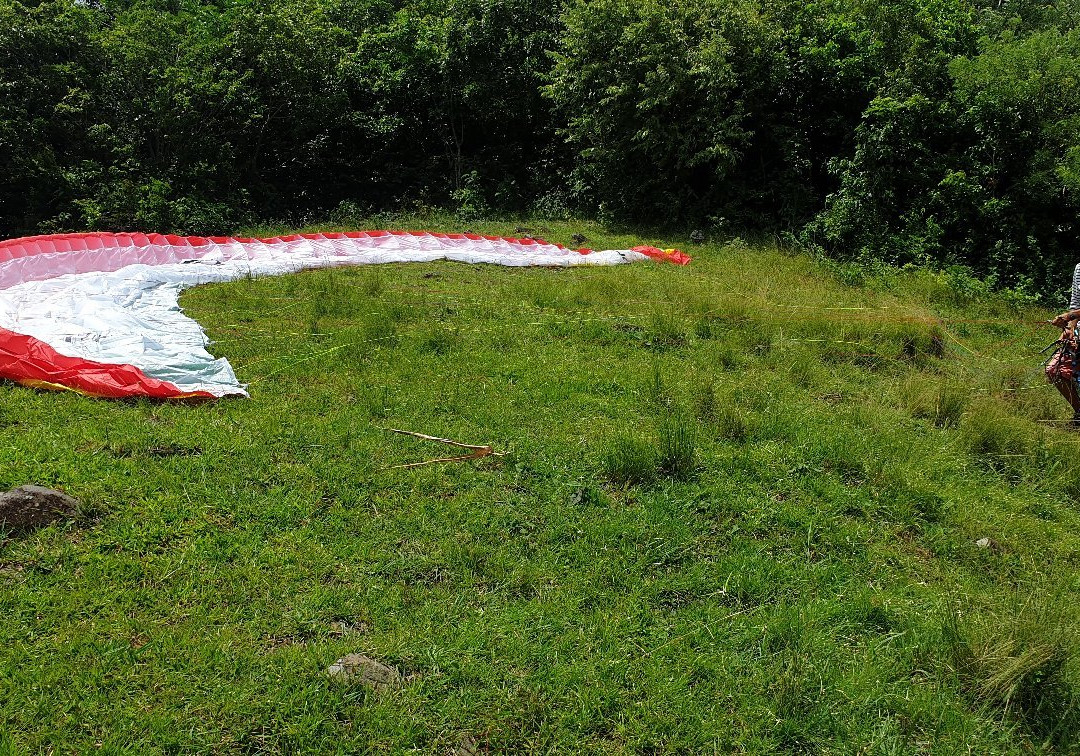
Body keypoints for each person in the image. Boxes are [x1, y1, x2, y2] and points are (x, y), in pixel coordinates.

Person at [1047, 263, 1080, 427]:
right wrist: (1069, 330)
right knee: (1055, 370)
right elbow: (1075, 304)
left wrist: (1069, 315)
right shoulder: (1079, 268)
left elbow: (1073, 312)